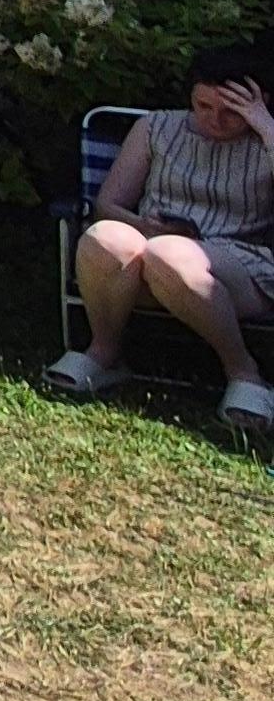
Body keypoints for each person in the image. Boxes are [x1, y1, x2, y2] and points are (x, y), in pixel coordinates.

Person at [49, 44, 274, 438]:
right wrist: (145, 226)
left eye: (230, 112)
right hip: (153, 248)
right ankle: (104, 353)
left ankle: (245, 373)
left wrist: (265, 124)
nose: (215, 121)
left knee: (168, 254)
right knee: (105, 237)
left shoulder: (264, 141)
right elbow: (108, 204)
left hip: (240, 265)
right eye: (204, 106)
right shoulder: (157, 128)